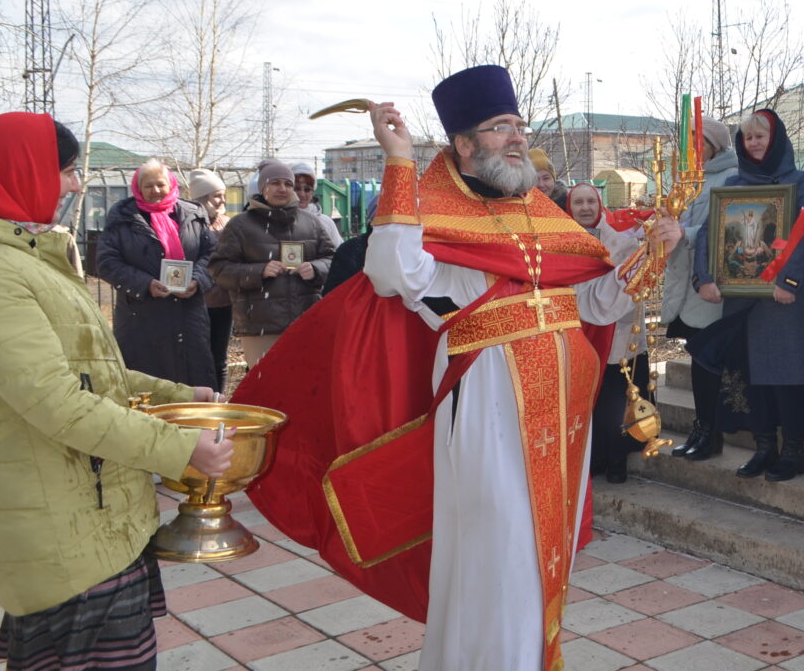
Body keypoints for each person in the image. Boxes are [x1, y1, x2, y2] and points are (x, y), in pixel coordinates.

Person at [235, 65, 634, 671]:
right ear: (465, 144)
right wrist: (398, 161)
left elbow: (594, 302)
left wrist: (650, 253)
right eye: (500, 128)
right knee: (495, 555)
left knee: (541, 557)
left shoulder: (545, 218)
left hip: (561, 418)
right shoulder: (430, 215)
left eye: (519, 125)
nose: (517, 137)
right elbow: (395, 274)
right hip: (488, 410)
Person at [0, 113, 233, 671]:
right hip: (60, 529)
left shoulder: (27, 257)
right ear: (20, 172)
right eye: (65, 171)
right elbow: (57, 402)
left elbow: (96, 372)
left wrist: (178, 392)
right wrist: (181, 448)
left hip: (96, 516)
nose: (74, 185)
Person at [692, 109, 804, 482]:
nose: (754, 142)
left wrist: (789, 281)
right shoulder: (733, 185)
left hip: (783, 302)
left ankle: (794, 452)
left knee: (786, 376)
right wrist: (705, 278)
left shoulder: (799, 181)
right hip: (742, 299)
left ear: (776, 138)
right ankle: (764, 447)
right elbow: (707, 235)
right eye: (748, 137)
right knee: (750, 378)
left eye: (761, 136)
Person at [653, 117, 737, 461]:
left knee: (708, 363)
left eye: (697, 141)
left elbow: (725, 223)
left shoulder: (729, 176)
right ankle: (701, 429)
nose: (690, 149)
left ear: (714, 144)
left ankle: (711, 433)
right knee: (698, 360)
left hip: (708, 281)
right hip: (684, 279)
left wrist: (683, 232)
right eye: (687, 142)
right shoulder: (686, 179)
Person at [96, 159, 219, 387]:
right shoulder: (123, 217)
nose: (155, 191)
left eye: (160, 184)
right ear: (138, 188)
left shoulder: (193, 214)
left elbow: (212, 254)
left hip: (188, 316)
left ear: (170, 184)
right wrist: (145, 284)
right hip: (142, 318)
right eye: (148, 186)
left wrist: (197, 280)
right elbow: (106, 262)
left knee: (191, 384)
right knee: (148, 387)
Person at [208, 159, 337, 369]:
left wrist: (315, 268)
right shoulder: (240, 225)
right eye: (275, 183)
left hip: (306, 322)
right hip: (260, 327)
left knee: (302, 389)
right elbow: (219, 269)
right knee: (264, 393)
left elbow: (333, 261)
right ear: (263, 187)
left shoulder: (311, 223)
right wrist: (258, 271)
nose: (282, 189)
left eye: (287, 184)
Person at [567, 181, 645, 484]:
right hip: (578, 331)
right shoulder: (559, 241)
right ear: (569, 208)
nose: (585, 208)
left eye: (590, 202)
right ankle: (594, 455)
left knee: (616, 399)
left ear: (600, 206)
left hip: (616, 332)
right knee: (589, 401)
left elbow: (632, 284)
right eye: (578, 203)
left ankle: (618, 459)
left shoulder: (622, 243)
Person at [188, 168, 234, 391]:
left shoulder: (228, 224)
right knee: (197, 357)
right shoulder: (189, 223)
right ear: (202, 197)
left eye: (222, 194)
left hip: (224, 302)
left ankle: (219, 397)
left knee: (219, 357)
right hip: (197, 301)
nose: (222, 200)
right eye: (217, 195)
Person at [291, 161, 344, 247]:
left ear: (313, 193)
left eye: (307, 189)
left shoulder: (326, 222)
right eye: (297, 189)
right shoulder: (280, 221)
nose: (302, 194)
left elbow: (339, 253)